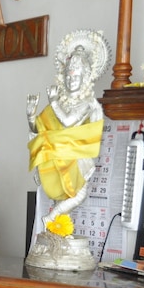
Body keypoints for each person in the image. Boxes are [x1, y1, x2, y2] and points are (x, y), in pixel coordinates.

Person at [26, 29, 110, 224]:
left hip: (74, 158)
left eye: (76, 77)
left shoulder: (86, 103)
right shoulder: (58, 104)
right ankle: (53, 221)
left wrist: (55, 102)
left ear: (86, 78)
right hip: (56, 159)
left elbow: (68, 121)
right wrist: (30, 116)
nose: (72, 81)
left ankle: (53, 221)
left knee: (77, 195)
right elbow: (38, 130)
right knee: (71, 194)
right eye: (69, 76)